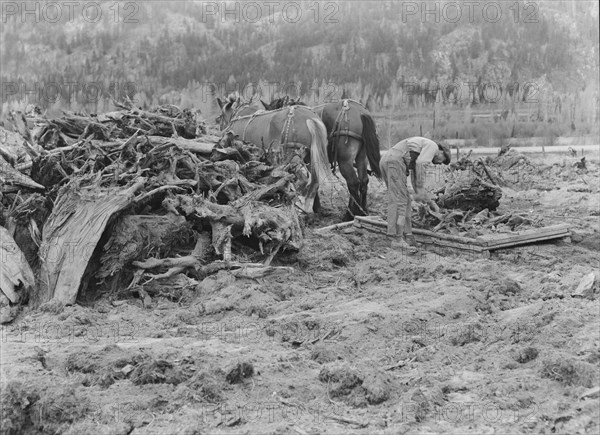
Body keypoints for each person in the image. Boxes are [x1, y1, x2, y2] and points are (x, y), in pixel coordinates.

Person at [380, 137, 451, 251]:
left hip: (389, 160)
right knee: (400, 201)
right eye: (444, 159)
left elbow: (416, 184)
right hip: (395, 162)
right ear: (441, 151)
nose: (440, 163)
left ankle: (408, 236)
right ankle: (396, 239)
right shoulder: (432, 146)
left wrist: (430, 202)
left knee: (406, 200)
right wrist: (427, 200)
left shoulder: (418, 154)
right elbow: (421, 165)